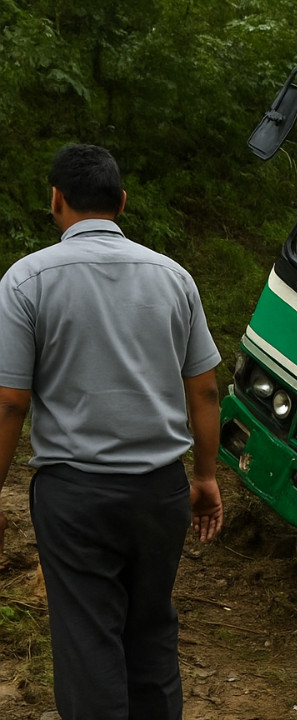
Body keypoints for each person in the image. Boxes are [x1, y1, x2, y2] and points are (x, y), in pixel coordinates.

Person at [0, 144, 223, 720]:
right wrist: (204, 477)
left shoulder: (27, 281)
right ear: (121, 203)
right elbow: (204, 391)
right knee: (152, 631)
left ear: (56, 200)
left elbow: (9, 404)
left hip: (74, 497)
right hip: (160, 493)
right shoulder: (175, 278)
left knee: (87, 639)